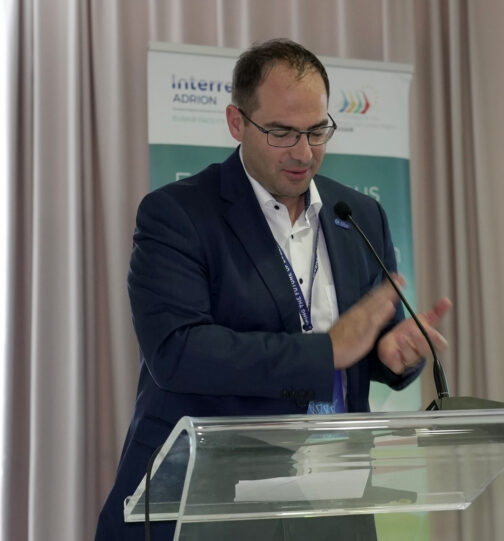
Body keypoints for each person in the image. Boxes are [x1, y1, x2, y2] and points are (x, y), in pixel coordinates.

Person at [95, 38, 451, 541]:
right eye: (281, 132)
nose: (304, 153)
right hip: (208, 504)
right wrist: (325, 352)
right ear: (236, 122)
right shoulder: (178, 214)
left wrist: (394, 355)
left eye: (317, 131)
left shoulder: (359, 214)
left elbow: (367, 344)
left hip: (335, 504)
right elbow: (177, 352)